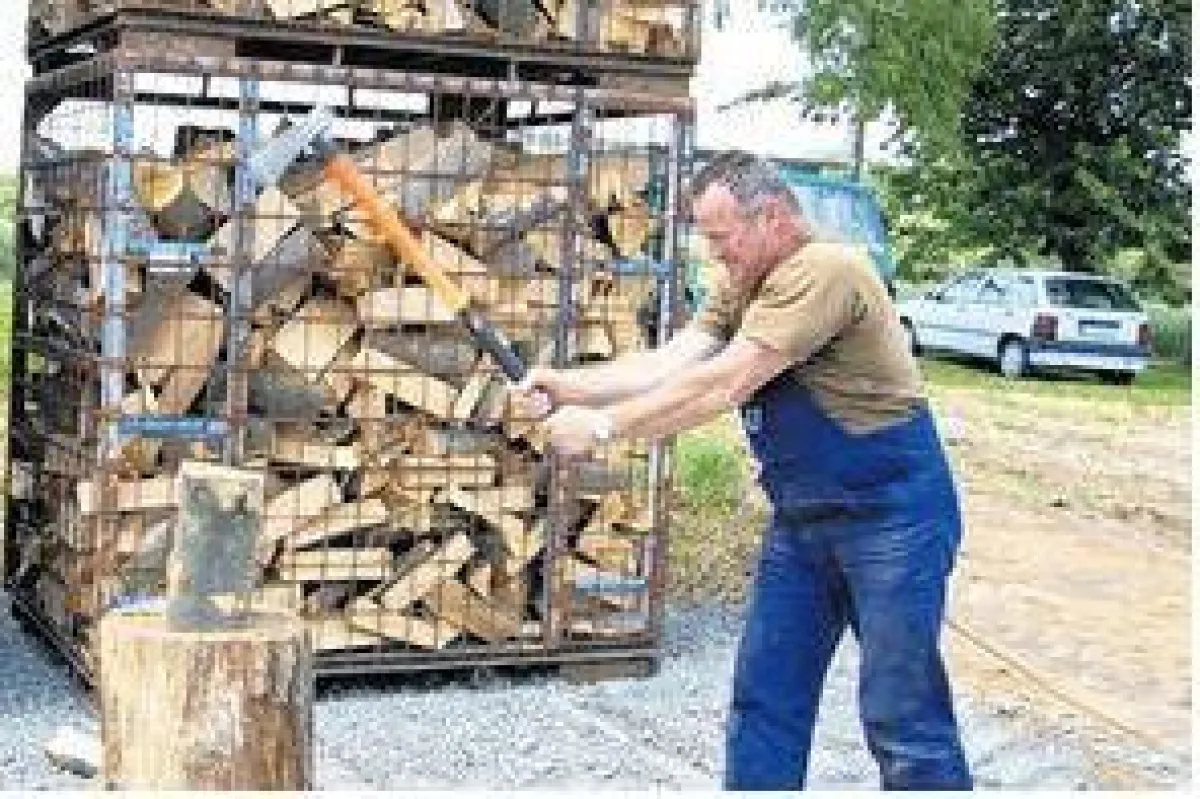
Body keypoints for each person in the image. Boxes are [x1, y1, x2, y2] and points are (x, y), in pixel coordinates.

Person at [512, 150, 972, 791]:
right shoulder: (747, 281)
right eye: (705, 238)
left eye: (721, 237)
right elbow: (675, 361)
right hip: (805, 524)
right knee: (765, 698)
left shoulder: (827, 272)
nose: (713, 254)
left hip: (891, 518)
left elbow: (725, 382)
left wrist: (603, 428)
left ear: (773, 217)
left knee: (902, 716)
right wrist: (570, 388)